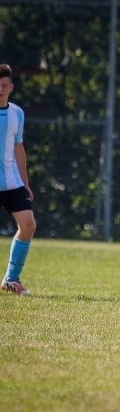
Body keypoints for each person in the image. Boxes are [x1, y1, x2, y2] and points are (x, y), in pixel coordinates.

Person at [0, 64, 36, 296]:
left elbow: (18, 148)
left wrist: (25, 183)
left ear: (11, 87)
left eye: (4, 85)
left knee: (28, 225)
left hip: (11, 183)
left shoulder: (17, 113)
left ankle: (11, 279)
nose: (0, 90)